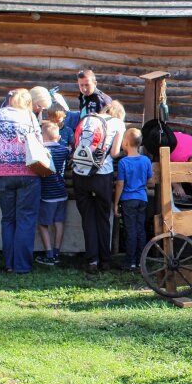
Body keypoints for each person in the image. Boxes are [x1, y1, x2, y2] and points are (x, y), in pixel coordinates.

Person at [0, 88, 42, 274]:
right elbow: (39, 145)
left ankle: (9, 263)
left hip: (1, 173)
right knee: (26, 219)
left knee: (8, 219)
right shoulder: (30, 117)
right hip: (28, 173)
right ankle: (22, 265)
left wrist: (0, 152)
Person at [73, 99, 125, 272]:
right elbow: (114, 152)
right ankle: (105, 259)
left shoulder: (89, 119)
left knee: (87, 217)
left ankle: (91, 260)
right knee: (103, 217)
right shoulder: (118, 123)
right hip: (102, 174)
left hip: (80, 172)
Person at [114, 128, 153, 270]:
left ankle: (130, 261)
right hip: (142, 198)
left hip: (128, 200)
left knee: (130, 230)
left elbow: (120, 184)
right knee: (140, 229)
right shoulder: (146, 160)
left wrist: (116, 203)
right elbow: (150, 180)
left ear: (125, 143)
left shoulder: (124, 162)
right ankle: (140, 260)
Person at [35, 121, 70, 266]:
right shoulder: (64, 150)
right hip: (62, 192)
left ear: (43, 136)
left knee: (43, 224)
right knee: (59, 222)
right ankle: (56, 251)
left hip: (47, 194)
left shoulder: (42, 151)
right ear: (58, 136)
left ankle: (49, 254)